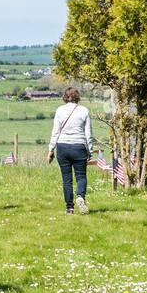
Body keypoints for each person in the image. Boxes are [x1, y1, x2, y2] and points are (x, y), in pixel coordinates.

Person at [47, 86, 95, 214]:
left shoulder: (60, 110)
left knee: (66, 179)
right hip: (79, 146)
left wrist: (51, 149)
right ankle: (80, 196)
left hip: (62, 147)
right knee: (81, 176)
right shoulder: (84, 111)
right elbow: (88, 134)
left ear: (65, 97)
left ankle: (69, 208)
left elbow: (55, 131)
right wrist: (89, 151)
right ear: (77, 97)